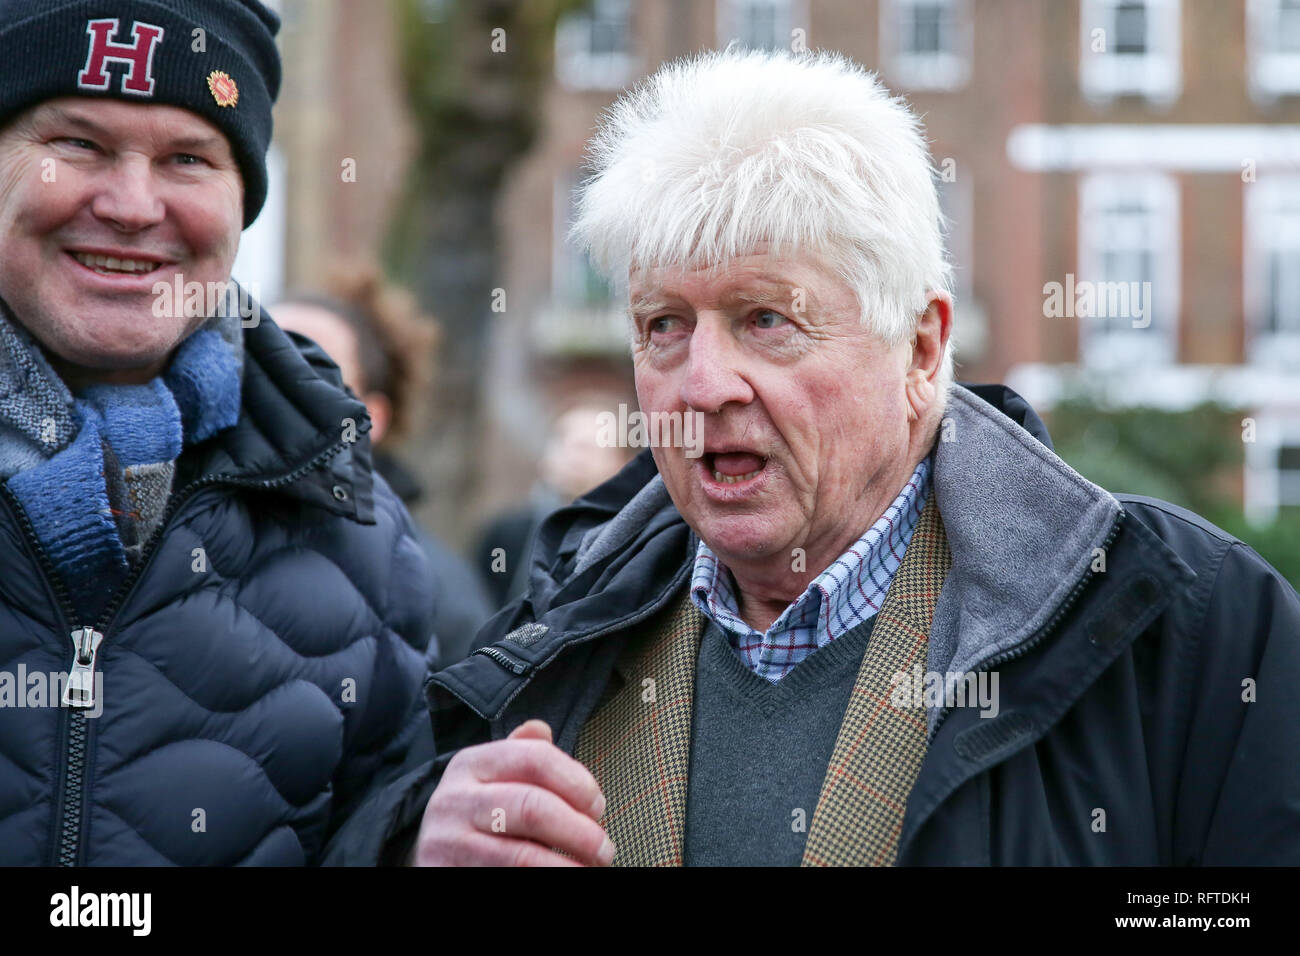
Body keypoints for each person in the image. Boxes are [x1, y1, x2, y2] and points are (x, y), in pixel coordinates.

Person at [359, 48, 1300, 867]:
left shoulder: (1182, 621)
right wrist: (411, 845)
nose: (703, 383)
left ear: (922, 350)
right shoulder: (552, 624)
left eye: (767, 319)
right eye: (664, 326)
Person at [0, 0, 432, 865]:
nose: (130, 205)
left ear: (243, 205)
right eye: (77, 143)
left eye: (187, 159)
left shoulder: (358, 535)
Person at [274, 266, 494, 668]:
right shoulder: (176, 537)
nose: (271, 388)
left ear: (371, 417)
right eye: (257, 360)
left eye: (311, 371)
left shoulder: (432, 593)